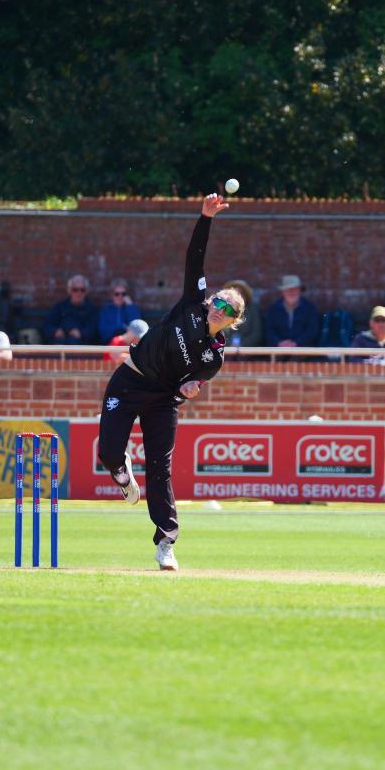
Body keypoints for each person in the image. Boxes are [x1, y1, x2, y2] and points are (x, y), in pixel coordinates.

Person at [97, 193, 243, 571]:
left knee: (160, 469)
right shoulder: (192, 305)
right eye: (218, 300)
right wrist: (205, 217)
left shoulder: (214, 357)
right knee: (109, 453)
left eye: (226, 309)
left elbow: (190, 384)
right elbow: (194, 257)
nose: (217, 307)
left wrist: (188, 389)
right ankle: (120, 471)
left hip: (162, 399)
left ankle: (166, 542)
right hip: (130, 380)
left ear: (231, 322)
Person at [264, 274, 321, 350]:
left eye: (295, 289)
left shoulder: (310, 308)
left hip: (303, 349)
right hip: (278, 349)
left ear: (300, 291)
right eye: (288, 289)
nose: (291, 292)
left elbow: (312, 331)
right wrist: (279, 342)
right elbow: (269, 331)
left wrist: (296, 343)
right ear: (282, 292)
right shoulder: (273, 309)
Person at [43, 274, 100, 345]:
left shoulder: (91, 309)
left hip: (81, 346)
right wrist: (55, 331)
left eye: (82, 290)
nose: (78, 293)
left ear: (86, 291)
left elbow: (93, 330)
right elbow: (48, 325)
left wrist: (81, 333)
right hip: (60, 344)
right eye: (75, 290)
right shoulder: (60, 307)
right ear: (69, 290)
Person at [222, 279, 263, 347]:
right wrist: (229, 345)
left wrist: (242, 345)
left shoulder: (253, 310)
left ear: (245, 296)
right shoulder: (221, 310)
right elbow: (217, 333)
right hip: (226, 351)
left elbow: (257, 334)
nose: (236, 297)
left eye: (239, 294)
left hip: (248, 351)